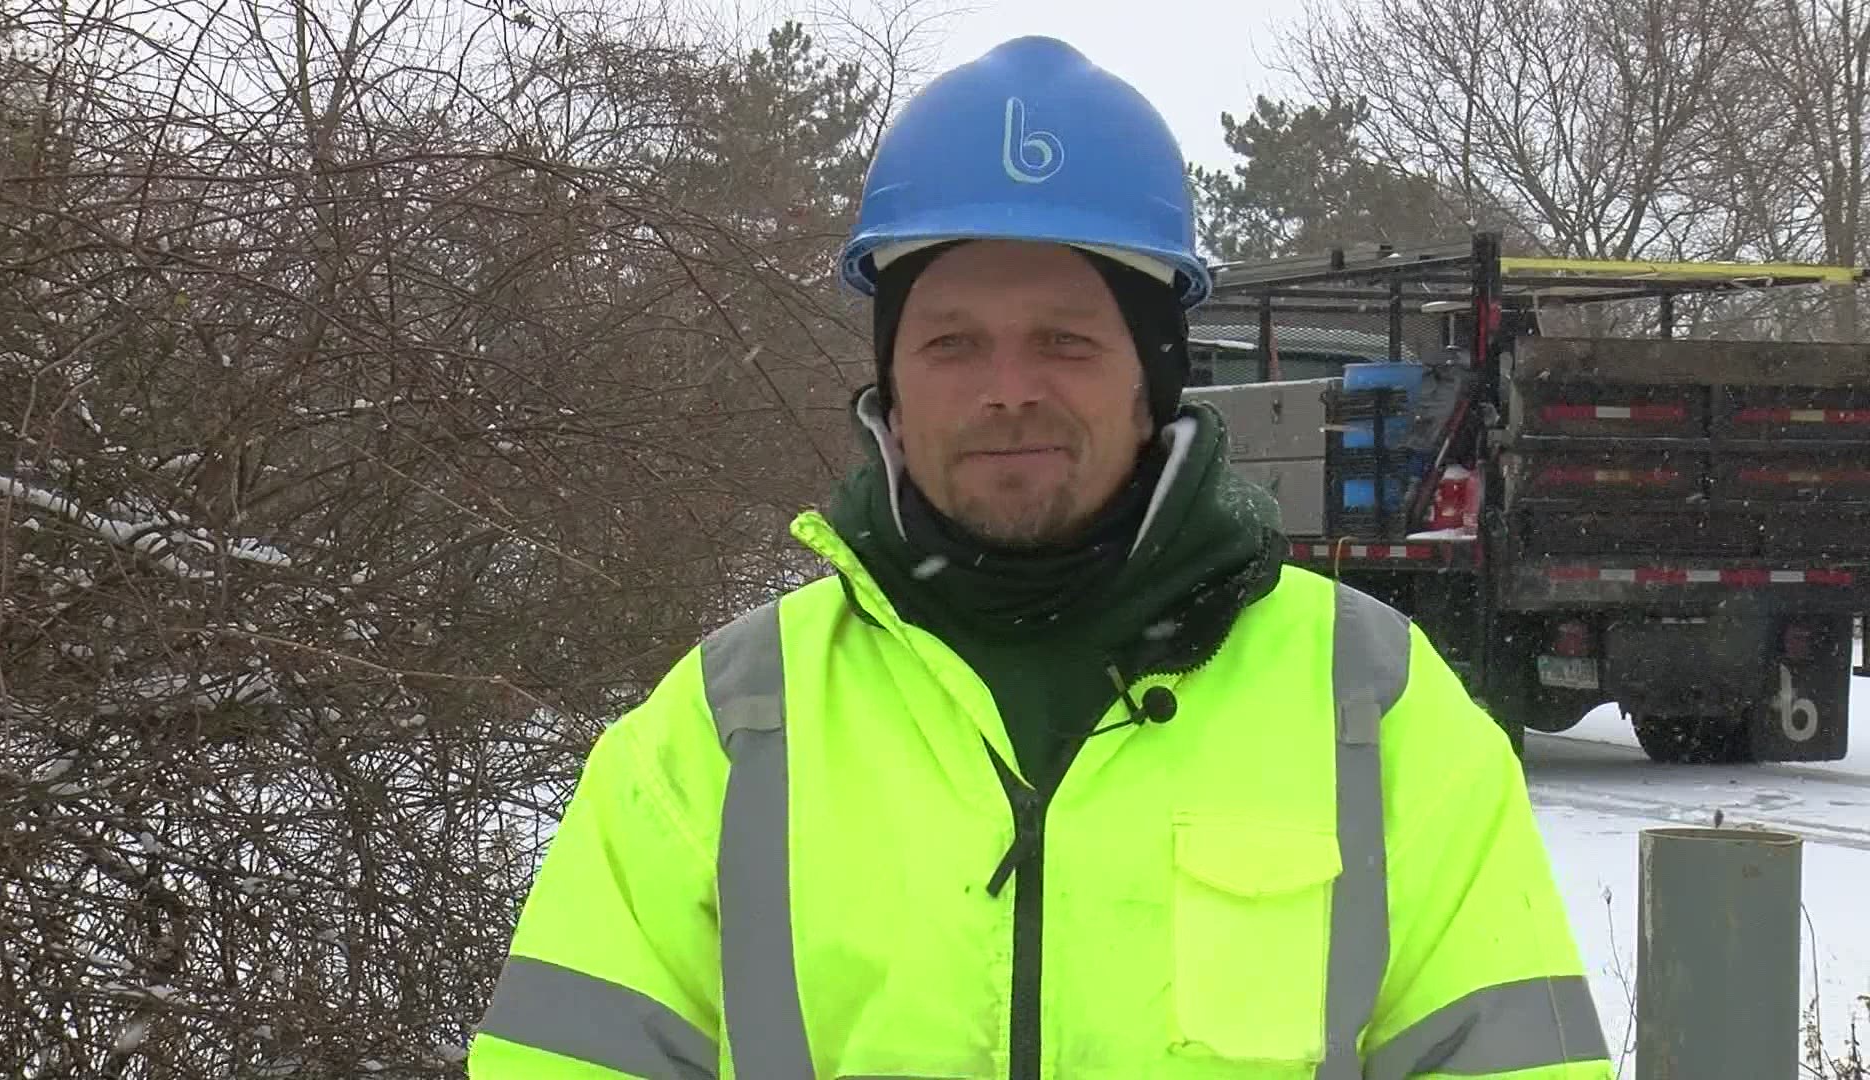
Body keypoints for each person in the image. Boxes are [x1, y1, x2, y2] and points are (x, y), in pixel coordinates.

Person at [467, 35, 1613, 1080]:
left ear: (1151, 372)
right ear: (893, 389)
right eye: (953, 341)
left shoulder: (1377, 712)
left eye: (1064, 338)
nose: (1009, 386)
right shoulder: (722, 734)